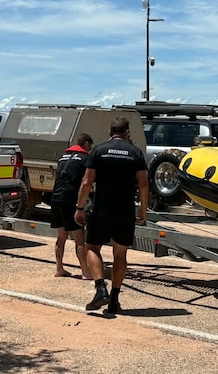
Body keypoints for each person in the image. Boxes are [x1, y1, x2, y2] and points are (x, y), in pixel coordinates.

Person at [74, 116, 148, 314]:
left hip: (102, 209)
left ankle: (100, 288)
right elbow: (143, 184)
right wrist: (143, 209)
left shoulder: (98, 150)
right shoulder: (136, 152)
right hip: (125, 210)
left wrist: (80, 207)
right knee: (120, 254)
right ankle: (114, 299)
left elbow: (86, 182)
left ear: (109, 132)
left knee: (92, 248)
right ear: (127, 133)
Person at [50, 133, 94, 279]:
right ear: (87, 144)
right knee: (79, 237)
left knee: (61, 236)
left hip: (56, 198)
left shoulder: (62, 157)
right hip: (70, 199)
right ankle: (85, 271)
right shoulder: (85, 158)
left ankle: (59, 268)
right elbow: (87, 181)